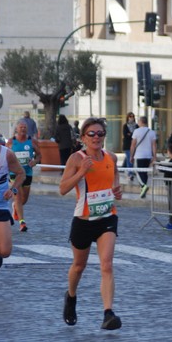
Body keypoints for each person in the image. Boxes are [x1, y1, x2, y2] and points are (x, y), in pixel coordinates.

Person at [59, 117, 123, 330]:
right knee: (79, 266)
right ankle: (71, 296)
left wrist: (117, 189)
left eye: (100, 134)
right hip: (83, 220)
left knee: (107, 264)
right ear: (83, 137)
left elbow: (114, 175)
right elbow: (62, 188)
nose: (97, 137)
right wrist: (81, 172)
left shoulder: (111, 157)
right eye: (92, 134)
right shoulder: (76, 159)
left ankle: (108, 313)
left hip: (107, 217)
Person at [0, 122, 26, 269]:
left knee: (5, 251)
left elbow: (21, 174)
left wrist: (12, 190)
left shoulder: (6, 154)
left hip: (0, 205)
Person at [7, 119, 41, 232]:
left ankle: (15, 208)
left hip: (27, 173)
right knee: (18, 196)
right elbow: (5, 155)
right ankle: (22, 223)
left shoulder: (32, 141)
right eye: (21, 127)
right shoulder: (11, 142)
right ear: (16, 129)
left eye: (25, 127)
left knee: (24, 199)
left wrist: (35, 161)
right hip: (15, 174)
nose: (23, 129)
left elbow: (39, 156)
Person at [130, 116, 157, 198]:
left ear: (141, 122)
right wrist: (154, 156)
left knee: (138, 171)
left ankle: (143, 186)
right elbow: (154, 145)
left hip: (139, 155)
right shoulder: (152, 132)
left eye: (138, 121)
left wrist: (131, 155)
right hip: (148, 155)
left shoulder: (136, 131)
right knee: (144, 173)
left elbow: (133, 145)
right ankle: (143, 191)